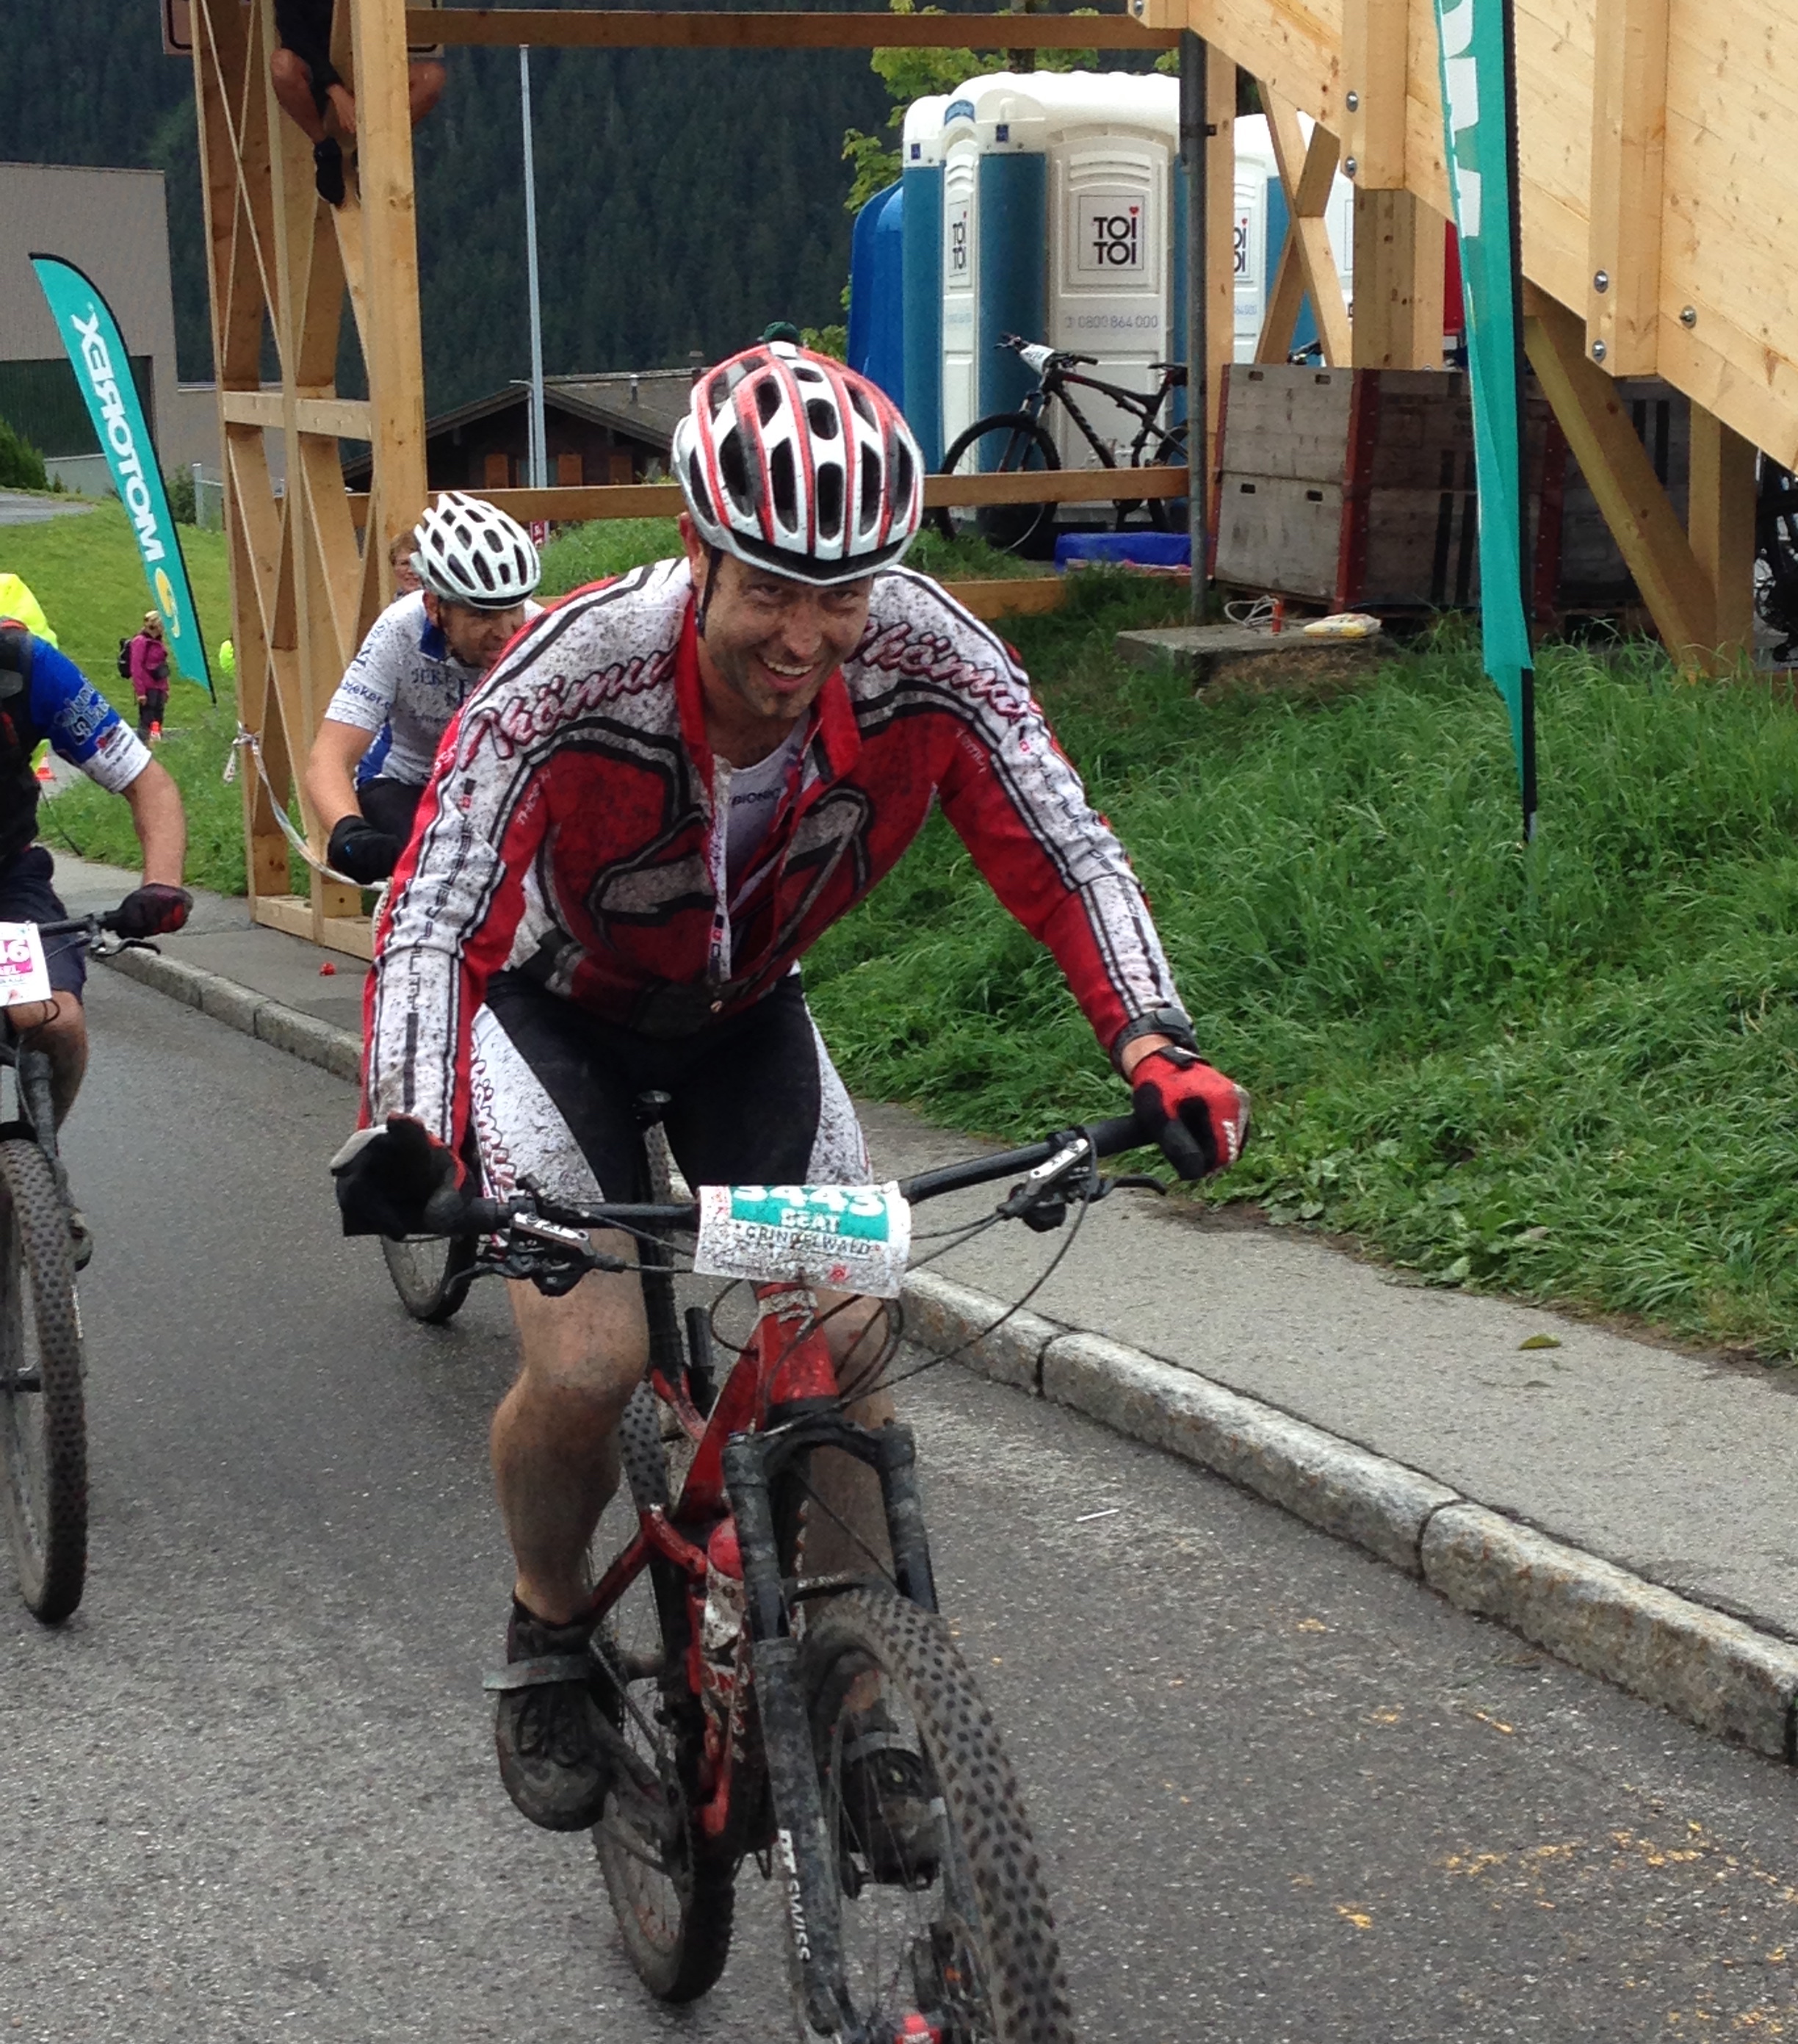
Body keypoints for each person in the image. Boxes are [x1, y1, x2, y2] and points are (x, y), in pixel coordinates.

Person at [333, 343, 1248, 1835]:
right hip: (553, 1015)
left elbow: (1061, 838)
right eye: (770, 588)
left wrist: (1154, 1037)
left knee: (844, 1326)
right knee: (590, 1359)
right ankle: (548, 1623)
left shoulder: (929, 655)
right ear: (698, 552)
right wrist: (409, 1125)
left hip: (742, 1012)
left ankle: (858, 1690)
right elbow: (436, 904)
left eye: (843, 594)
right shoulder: (570, 670)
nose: (807, 636)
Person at [0, 619, 190, 1247]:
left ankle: (35, 1168)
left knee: (55, 1020)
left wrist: (160, 887)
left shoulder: (26, 667)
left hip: (7, 882)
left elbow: (147, 783)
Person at [306, 494, 541, 886]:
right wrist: (349, 831)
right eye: (481, 614)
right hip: (406, 780)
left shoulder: (538, 633)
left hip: (493, 785)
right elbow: (328, 758)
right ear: (434, 607)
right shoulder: (400, 630)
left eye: (513, 609)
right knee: (432, 859)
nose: (505, 632)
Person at [270, 0, 446, 207]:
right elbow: (295, 36)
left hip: (373, 74)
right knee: (282, 65)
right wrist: (334, 87)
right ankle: (325, 150)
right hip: (317, 77)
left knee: (432, 78)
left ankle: (372, 152)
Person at [126, 610, 170, 742]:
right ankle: (144, 745)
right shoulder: (140, 642)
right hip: (148, 688)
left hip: (159, 687)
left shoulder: (158, 642)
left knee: (158, 720)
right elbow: (136, 667)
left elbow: (163, 666)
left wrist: (166, 688)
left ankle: (155, 744)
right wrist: (140, 692)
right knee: (147, 720)